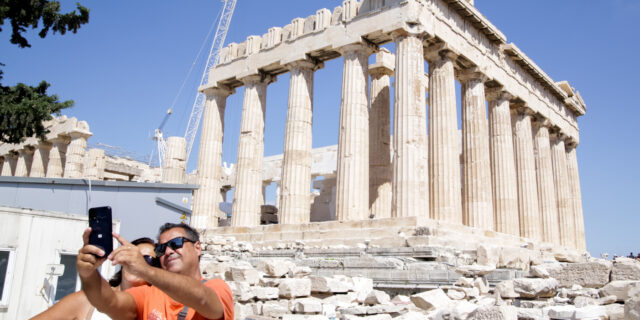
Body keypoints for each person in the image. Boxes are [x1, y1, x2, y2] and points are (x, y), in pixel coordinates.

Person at [77, 222, 233, 320]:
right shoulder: (148, 294)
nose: (168, 251)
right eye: (160, 249)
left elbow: (202, 298)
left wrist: (146, 270)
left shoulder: (217, 287)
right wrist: (89, 273)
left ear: (197, 247)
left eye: (176, 243)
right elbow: (108, 302)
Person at [31, 237, 159, 320]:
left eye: (146, 259)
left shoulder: (159, 309)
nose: (135, 262)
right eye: (130, 256)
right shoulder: (86, 300)